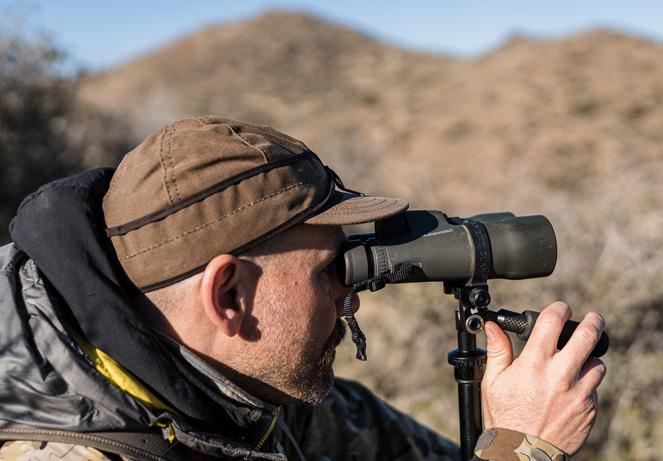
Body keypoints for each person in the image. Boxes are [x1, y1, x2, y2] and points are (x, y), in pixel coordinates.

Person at [0, 116, 606, 460]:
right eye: (329, 271)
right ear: (229, 297)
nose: (352, 294)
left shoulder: (240, 387)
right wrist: (523, 451)